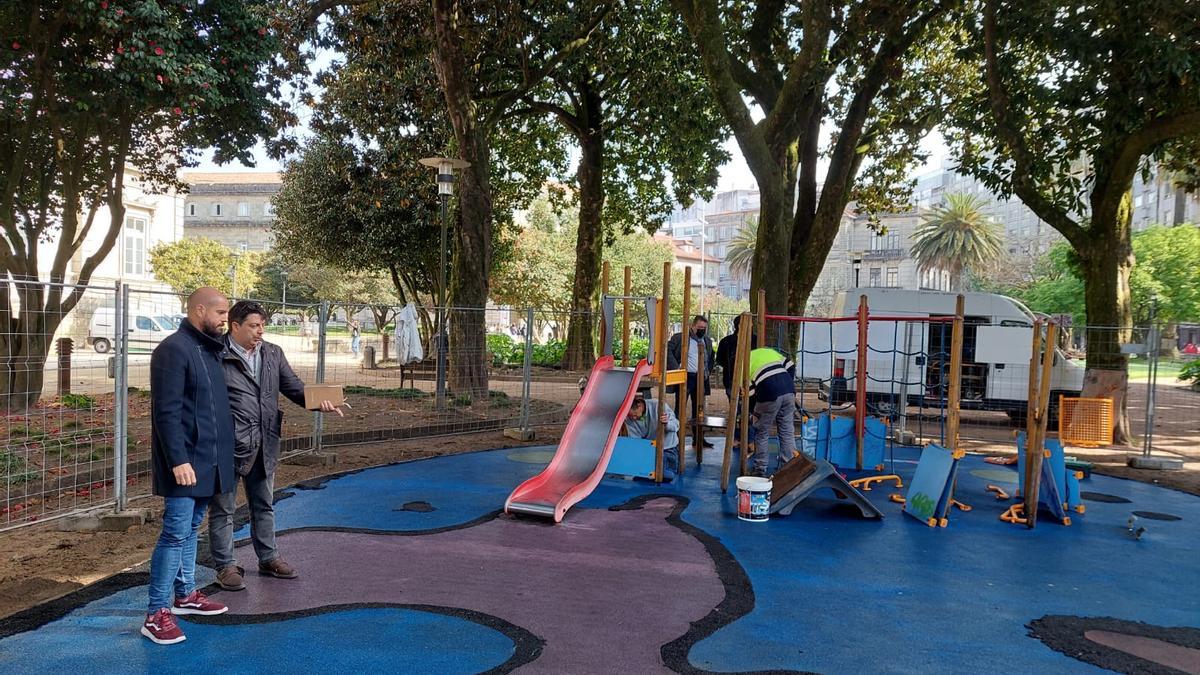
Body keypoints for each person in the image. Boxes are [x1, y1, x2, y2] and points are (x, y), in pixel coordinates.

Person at [209, 301, 343, 593]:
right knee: (224, 508)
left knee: (264, 504)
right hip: (227, 445)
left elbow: (294, 387)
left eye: (262, 326)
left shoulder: (271, 353)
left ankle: (268, 558)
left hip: (265, 441)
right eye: (254, 326)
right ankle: (226, 565)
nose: (260, 332)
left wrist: (321, 402)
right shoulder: (215, 353)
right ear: (235, 326)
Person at [142, 288, 234, 645]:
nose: (225, 319)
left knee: (192, 528)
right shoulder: (173, 349)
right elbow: (165, 412)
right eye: (221, 313)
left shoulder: (210, 349)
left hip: (209, 460)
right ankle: (155, 613)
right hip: (186, 461)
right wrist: (178, 459)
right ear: (199, 310)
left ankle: (185, 596)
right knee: (175, 532)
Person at [748, 345, 798, 477]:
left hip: (768, 393)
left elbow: (751, 394)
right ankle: (788, 467)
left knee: (761, 431)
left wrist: (753, 413)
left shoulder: (743, 364)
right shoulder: (768, 352)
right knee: (787, 430)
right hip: (789, 390)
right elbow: (791, 366)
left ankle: (760, 468)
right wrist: (786, 382)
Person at [667, 315, 714, 444]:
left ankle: (698, 437)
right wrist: (676, 367)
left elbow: (711, 357)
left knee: (699, 409)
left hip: (700, 378)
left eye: (704, 328)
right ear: (692, 326)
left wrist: (707, 371)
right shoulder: (680, 338)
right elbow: (667, 350)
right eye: (699, 327)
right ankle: (676, 436)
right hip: (685, 376)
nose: (702, 330)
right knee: (680, 407)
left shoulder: (706, 341)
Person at [623, 395, 680, 481]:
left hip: (667, 448)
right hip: (649, 450)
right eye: (631, 416)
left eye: (634, 415)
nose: (633, 418)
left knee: (663, 474)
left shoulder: (658, 405)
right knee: (639, 473)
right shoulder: (629, 418)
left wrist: (667, 424)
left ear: (640, 406)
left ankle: (667, 470)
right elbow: (635, 440)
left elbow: (676, 425)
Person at [715, 315, 759, 402]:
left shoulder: (756, 340)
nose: (752, 326)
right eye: (750, 324)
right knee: (735, 406)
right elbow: (720, 359)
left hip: (752, 379)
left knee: (751, 405)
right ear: (739, 325)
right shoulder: (726, 342)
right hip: (731, 379)